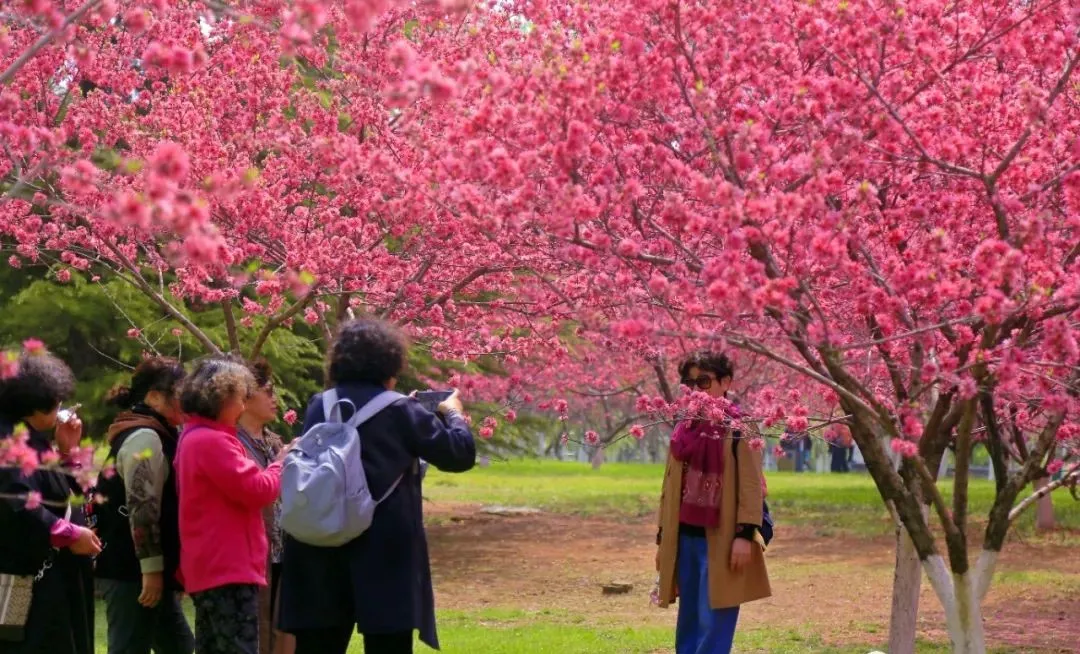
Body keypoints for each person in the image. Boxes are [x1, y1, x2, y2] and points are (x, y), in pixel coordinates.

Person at [278, 319, 477, 654]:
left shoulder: (320, 405)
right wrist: (453, 414)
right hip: (384, 548)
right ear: (390, 361)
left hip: (320, 540)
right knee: (388, 645)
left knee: (319, 644)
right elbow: (458, 454)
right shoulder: (402, 410)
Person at [655, 351, 771, 654]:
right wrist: (663, 538)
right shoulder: (685, 429)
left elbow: (750, 485)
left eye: (704, 381)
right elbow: (669, 486)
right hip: (685, 536)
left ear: (725, 382)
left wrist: (745, 535)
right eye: (689, 382)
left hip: (722, 537)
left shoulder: (740, 427)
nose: (696, 389)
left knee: (717, 616)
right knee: (689, 618)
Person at [175, 357, 284, 654]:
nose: (244, 403)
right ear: (222, 398)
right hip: (228, 567)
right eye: (240, 396)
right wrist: (280, 464)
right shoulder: (213, 442)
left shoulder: (194, 436)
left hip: (209, 567)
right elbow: (257, 490)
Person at [0, 349, 101, 654]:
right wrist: (70, 534)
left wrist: (69, 453)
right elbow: (15, 503)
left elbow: (70, 495)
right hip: (34, 580)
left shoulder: (33, 439)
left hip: (56, 577)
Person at [94, 356, 194, 654]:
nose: (187, 401)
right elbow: (143, 508)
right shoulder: (145, 437)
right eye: (180, 393)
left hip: (144, 571)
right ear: (154, 396)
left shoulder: (157, 432)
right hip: (132, 572)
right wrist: (151, 571)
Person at [236, 359, 293, 654]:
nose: (274, 398)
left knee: (283, 632)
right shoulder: (233, 444)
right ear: (244, 398)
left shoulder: (272, 441)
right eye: (267, 391)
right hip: (251, 553)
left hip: (283, 549)